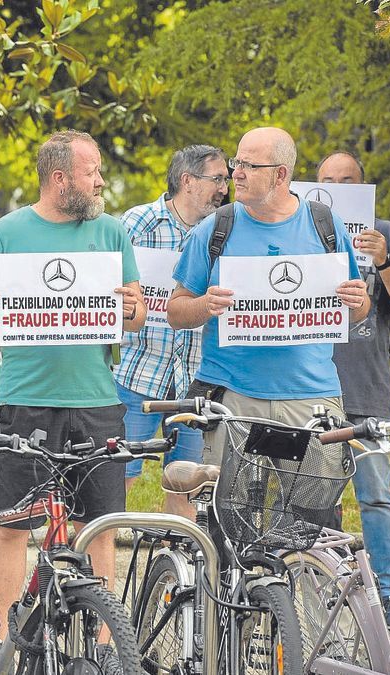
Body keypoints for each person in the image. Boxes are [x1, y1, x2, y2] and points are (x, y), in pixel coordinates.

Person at [0, 129, 146, 637]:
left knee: (99, 527)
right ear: (61, 179)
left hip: (96, 400)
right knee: (13, 526)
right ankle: (4, 643)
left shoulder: (110, 232)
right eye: (92, 173)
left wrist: (133, 309)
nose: (100, 181)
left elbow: (135, 316)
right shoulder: (4, 233)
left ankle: (107, 645)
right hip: (25, 401)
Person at [168, 128, 369, 475]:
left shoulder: (325, 225)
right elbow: (175, 311)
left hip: (310, 396)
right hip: (233, 397)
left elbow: (357, 312)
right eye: (237, 162)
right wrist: (205, 305)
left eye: (249, 165)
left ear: (280, 174)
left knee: (308, 518)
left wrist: (357, 301)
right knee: (229, 517)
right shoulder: (217, 227)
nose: (236, 173)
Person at [318, 150, 390, 629]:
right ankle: (324, 593)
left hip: (366, 390)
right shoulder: (299, 229)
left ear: (362, 187)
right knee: (315, 499)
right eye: (328, 180)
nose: (338, 187)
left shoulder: (386, 234)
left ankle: (389, 595)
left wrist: (386, 261)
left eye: (347, 180)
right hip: (310, 390)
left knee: (376, 496)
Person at [116, 145, 229, 519]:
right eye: (218, 179)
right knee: (118, 479)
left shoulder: (224, 229)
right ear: (187, 181)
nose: (225, 188)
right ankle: (94, 570)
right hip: (138, 374)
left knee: (188, 485)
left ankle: (176, 572)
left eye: (226, 180)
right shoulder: (137, 223)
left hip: (196, 382)